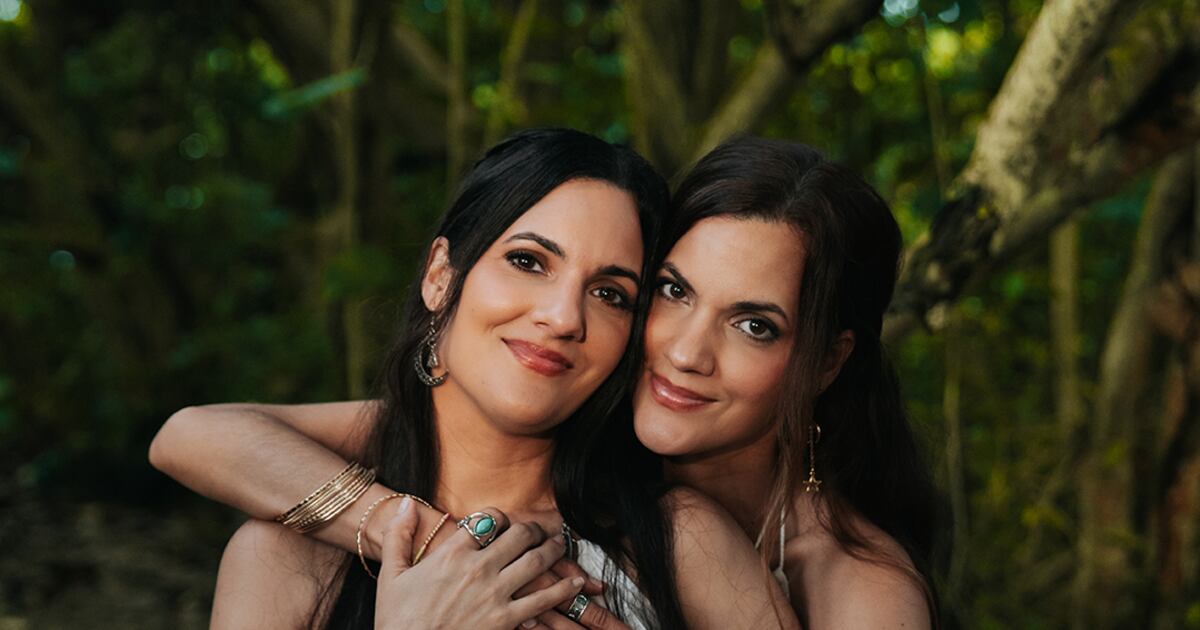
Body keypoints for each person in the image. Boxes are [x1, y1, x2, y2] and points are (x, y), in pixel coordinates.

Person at [152, 135, 937, 628]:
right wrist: (436, 553)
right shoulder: (283, 555)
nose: (562, 317)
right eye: (528, 261)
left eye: (611, 293)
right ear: (441, 274)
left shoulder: (687, 537)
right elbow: (193, 434)